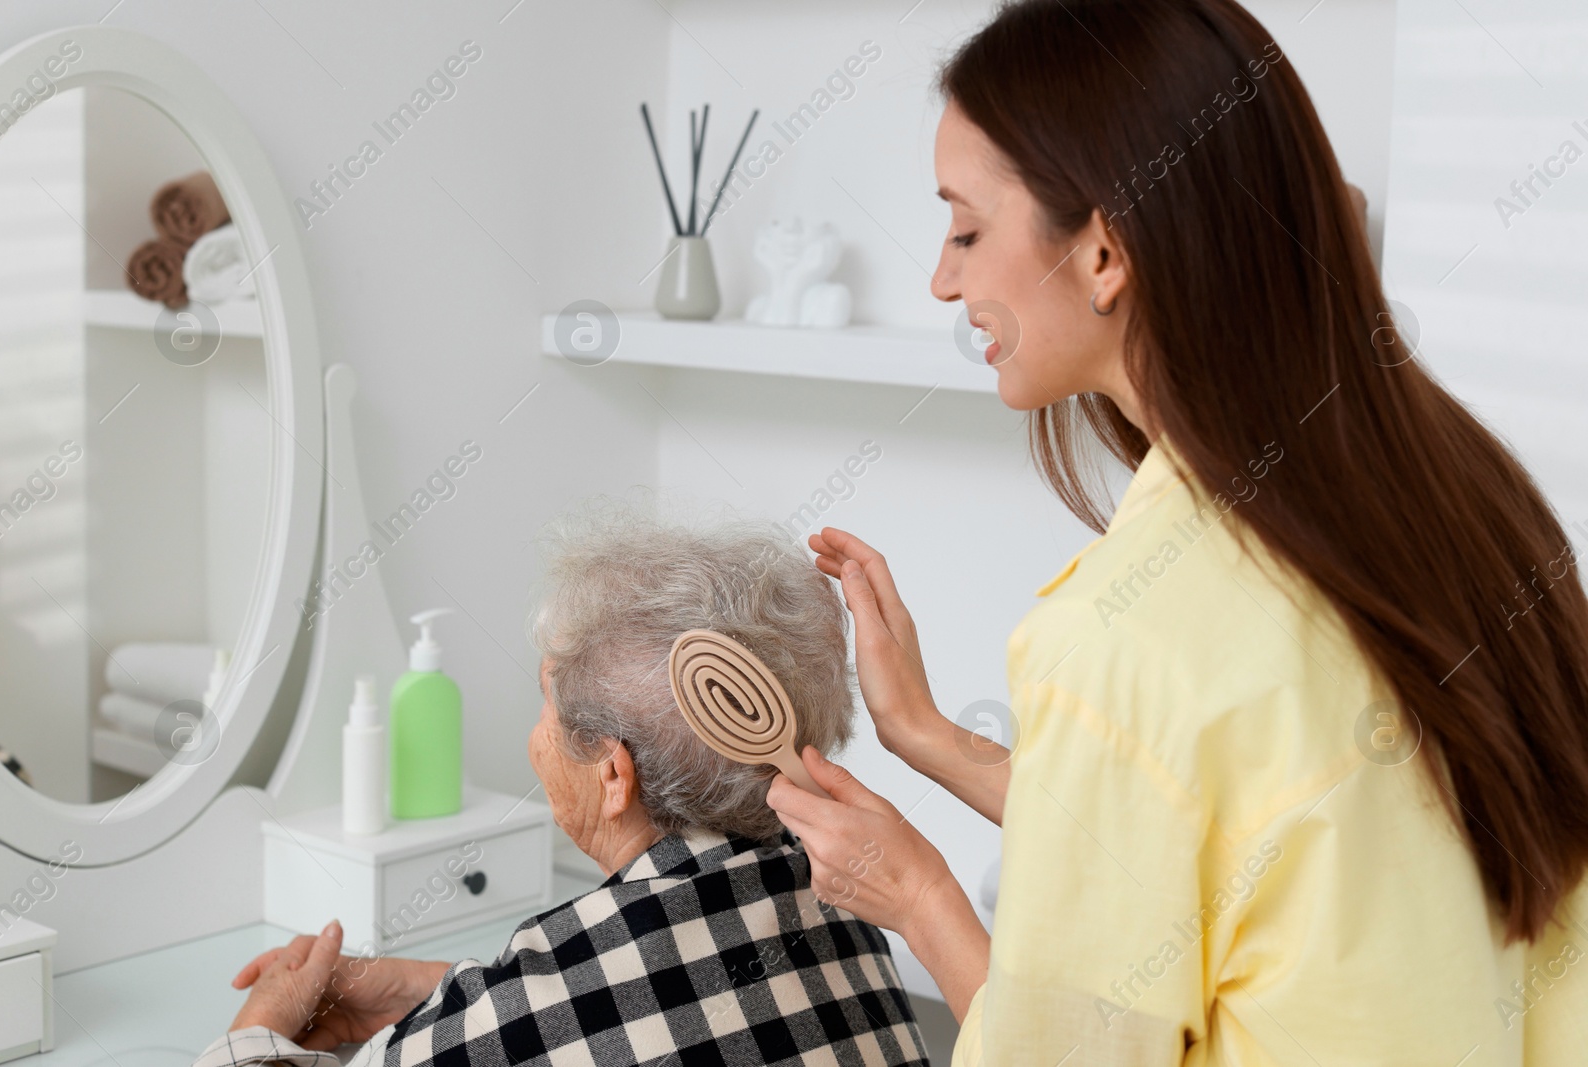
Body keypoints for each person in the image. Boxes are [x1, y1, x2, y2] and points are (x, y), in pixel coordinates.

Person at [766, 1, 1588, 1064]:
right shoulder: (1467, 513)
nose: (943, 279)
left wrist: (922, 892)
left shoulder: (1129, 638)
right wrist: (928, 735)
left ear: (1105, 251)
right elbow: (1264, 853)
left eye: (967, 229)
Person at [195, 506, 930, 1066]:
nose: (532, 736)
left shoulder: (537, 1007)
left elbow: (573, 1006)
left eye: (545, 700)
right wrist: (433, 988)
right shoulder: (843, 899)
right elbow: (641, 996)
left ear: (614, 773)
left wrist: (256, 1029)